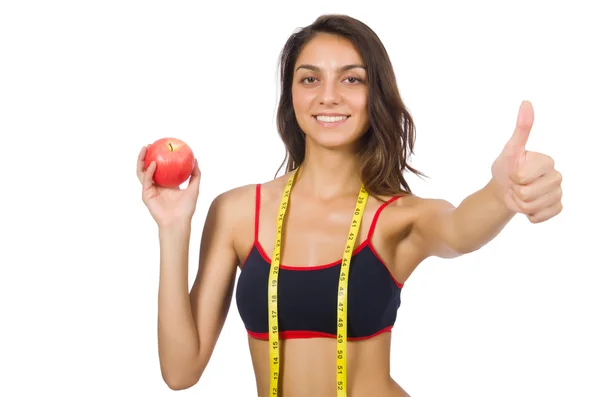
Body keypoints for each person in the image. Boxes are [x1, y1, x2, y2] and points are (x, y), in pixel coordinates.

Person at [136, 14, 563, 397]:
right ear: (290, 98)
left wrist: (502, 193)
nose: (329, 96)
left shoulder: (396, 218)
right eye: (309, 79)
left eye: (351, 79)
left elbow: (460, 229)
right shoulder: (236, 212)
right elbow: (181, 371)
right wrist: (174, 228)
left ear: (374, 95)